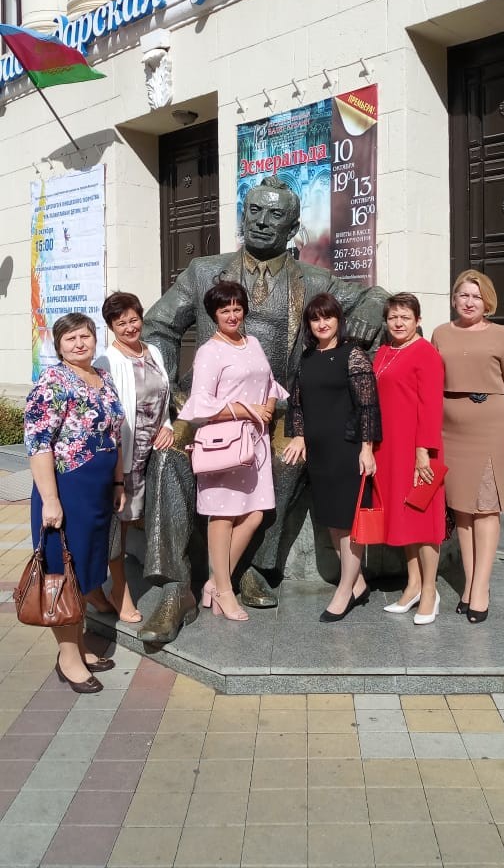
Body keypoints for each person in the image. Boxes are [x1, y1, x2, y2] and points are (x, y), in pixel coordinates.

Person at [138, 175, 388, 644]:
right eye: (254, 211)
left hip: (276, 410)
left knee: (287, 462)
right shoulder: (204, 271)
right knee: (169, 459)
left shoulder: (314, 280)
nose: (262, 222)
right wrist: (171, 393)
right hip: (210, 406)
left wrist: (371, 310)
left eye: (275, 215)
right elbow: (158, 326)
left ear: (293, 228)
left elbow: (375, 296)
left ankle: (252, 567)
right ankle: (175, 588)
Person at [23, 313, 125, 694]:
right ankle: (68, 658)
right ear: (59, 345)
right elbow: (38, 444)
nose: (80, 343)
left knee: (85, 570)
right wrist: (50, 500)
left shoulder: (103, 378)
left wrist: (118, 482)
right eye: (71, 338)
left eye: (85, 336)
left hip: (98, 492)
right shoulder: (52, 382)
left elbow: (114, 435)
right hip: (66, 491)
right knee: (63, 574)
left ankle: (78, 647)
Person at [178, 281, 288, 621]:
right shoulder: (209, 351)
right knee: (222, 515)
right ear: (214, 315)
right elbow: (200, 404)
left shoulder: (252, 342)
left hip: (255, 443)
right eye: (224, 310)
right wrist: (246, 410)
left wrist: (268, 406)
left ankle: (214, 582)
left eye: (237, 308)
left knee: (255, 514)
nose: (232, 315)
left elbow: (270, 383)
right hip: (225, 444)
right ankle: (225, 591)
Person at [432, 270, 504, 624]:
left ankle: (481, 588)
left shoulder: (502, 335)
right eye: (463, 295)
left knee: (486, 507)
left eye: (476, 296)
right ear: (454, 299)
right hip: (450, 431)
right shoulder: (441, 333)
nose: (469, 302)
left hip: (490, 428)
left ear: (487, 302)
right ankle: (470, 584)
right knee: (462, 510)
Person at [283, 293, 380, 621]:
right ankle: (359, 583)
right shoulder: (308, 357)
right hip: (319, 454)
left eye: (328, 317)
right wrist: (299, 435)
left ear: (339, 319)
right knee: (333, 524)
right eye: (315, 318)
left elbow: (368, 405)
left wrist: (367, 448)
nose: (322, 323)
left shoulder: (353, 355)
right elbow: (297, 403)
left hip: (347, 450)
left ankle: (344, 590)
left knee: (348, 523)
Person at [88, 292, 174, 624]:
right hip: (124, 457)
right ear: (111, 327)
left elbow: (162, 396)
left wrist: (166, 424)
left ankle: (97, 588)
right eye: (120, 322)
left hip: (152, 450)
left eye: (133, 319)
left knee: (133, 521)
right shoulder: (106, 363)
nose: (129, 327)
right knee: (118, 529)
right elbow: (107, 418)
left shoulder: (153, 351)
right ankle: (119, 590)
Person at [373, 294, 446, 625]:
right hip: (390, 448)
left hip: (418, 450)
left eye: (405, 317)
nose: (398, 323)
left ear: (418, 320)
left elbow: (431, 406)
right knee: (404, 518)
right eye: (393, 317)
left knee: (424, 521)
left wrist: (422, 453)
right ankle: (413, 584)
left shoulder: (426, 353)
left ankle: (430, 591)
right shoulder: (385, 352)